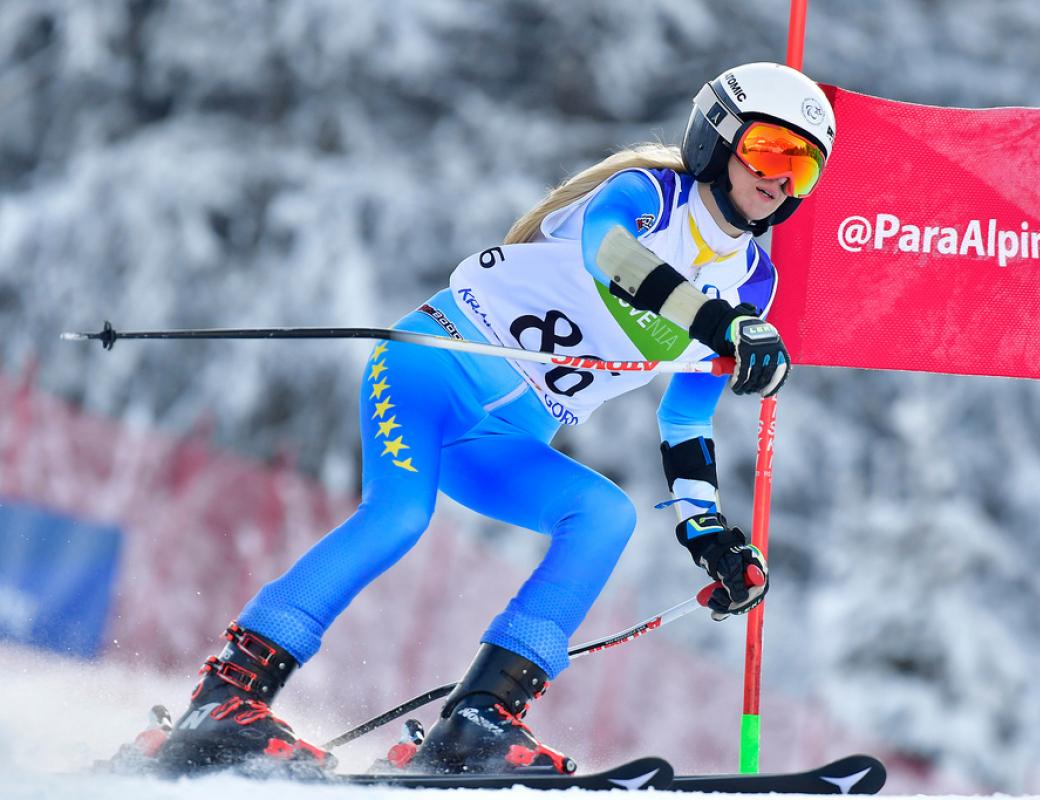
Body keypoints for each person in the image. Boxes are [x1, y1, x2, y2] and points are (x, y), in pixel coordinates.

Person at [155, 62, 835, 776]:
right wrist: (720, 322)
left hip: (506, 438)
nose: (781, 178)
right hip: (431, 368)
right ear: (717, 138)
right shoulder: (647, 198)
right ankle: (227, 695)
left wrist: (709, 537)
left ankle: (480, 720)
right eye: (768, 151)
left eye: (804, 169)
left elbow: (686, 418)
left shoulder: (752, 282)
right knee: (398, 516)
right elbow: (613, 259)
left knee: (604, 514)